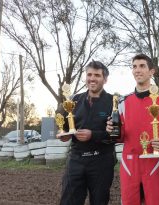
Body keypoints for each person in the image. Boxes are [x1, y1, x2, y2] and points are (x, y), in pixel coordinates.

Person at [107, 54, 159, 205]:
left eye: (142, 66)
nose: (137, 70)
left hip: (155, 164)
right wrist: (111, 131)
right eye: (134, 66)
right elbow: (118, 137)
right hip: (129, 165)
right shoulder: (122, 102)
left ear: (151, 71)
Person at [58, 60, 116, 205]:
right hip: (76, 160)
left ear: (105, 79)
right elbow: (65, 128)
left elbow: (116, 135)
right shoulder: (73, 101)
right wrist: (64, 135)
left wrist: (93, 134)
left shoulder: (113, 102)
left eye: (97, 75)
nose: (92, 78)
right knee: (68, 201)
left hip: (101, 161)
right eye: (89, 74)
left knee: (99, 201)